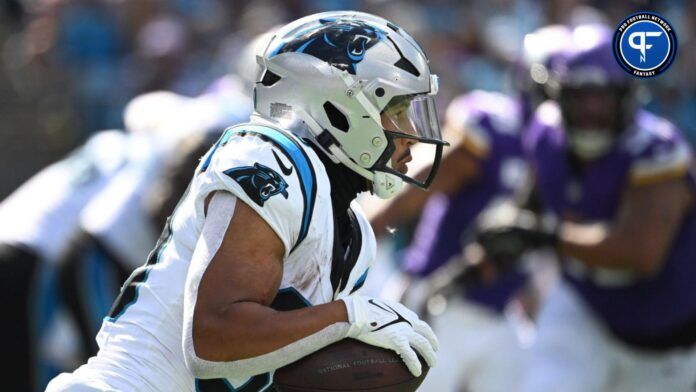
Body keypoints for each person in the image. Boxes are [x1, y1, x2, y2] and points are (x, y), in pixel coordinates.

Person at [47, 11, 444, 392]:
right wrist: (348, 317)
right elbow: (213, 338)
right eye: (396, 111)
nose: (410, 135)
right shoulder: (270, 159)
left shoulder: (356, 235)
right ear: (340, 105)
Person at [478, 27, 696, 392]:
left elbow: (639, 252)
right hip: (583, 307)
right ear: (558, 94)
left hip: (661, 341)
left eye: (603, 97)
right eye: (580, 96)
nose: (591, 110)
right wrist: (498, 233)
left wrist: (541, 235)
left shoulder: (656, 149)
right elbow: (526, 205)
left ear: (626, 96)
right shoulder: (546, 134)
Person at [368, 25, 573, 392]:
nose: (582, 111)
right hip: (441, 298)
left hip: (500, 312)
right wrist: (362, 234)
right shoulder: (495, 126)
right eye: (572, 96)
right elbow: (416, 188)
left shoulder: (572, 155)